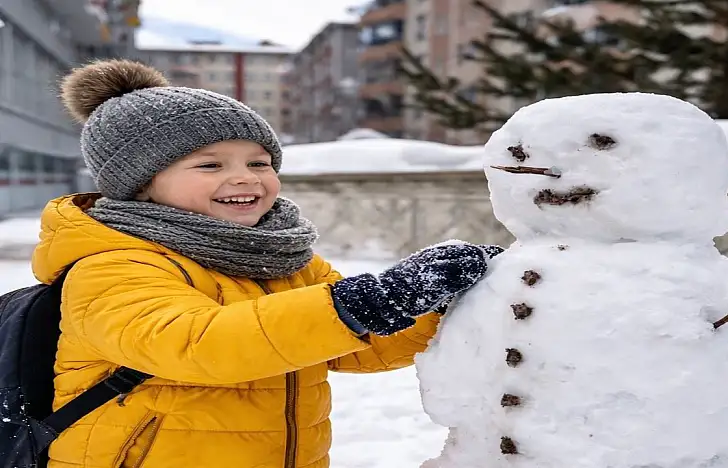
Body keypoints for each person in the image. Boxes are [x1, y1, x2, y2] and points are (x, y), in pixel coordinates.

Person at [34, 59, 500, 468]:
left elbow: (357, 344)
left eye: (259, 163)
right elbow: (196, 344)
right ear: (139, 185)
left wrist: (437, 302)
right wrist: (362, 301)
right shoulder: (111, 263)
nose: (244, 177)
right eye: (210, 165)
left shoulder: (282, 258)